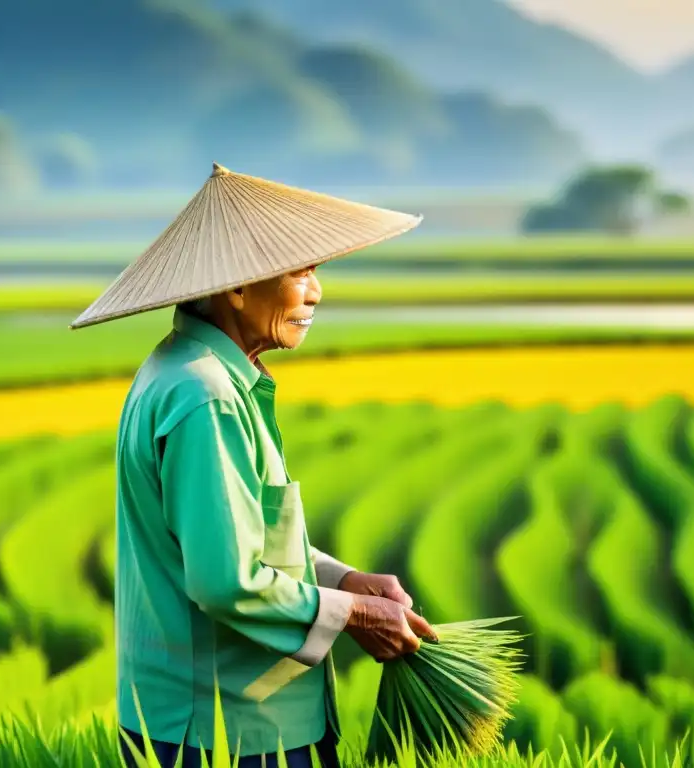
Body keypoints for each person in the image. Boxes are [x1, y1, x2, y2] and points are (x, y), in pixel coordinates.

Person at [70, 164, 437, 768]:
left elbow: (245, 537)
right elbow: (225, 579)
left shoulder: (193, 373)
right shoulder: (205, 395)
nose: (316, 292)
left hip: (222, 718)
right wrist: (354, 615)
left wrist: (344, 581)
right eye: (301, 271)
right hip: (225, 726)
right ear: (238, 287)